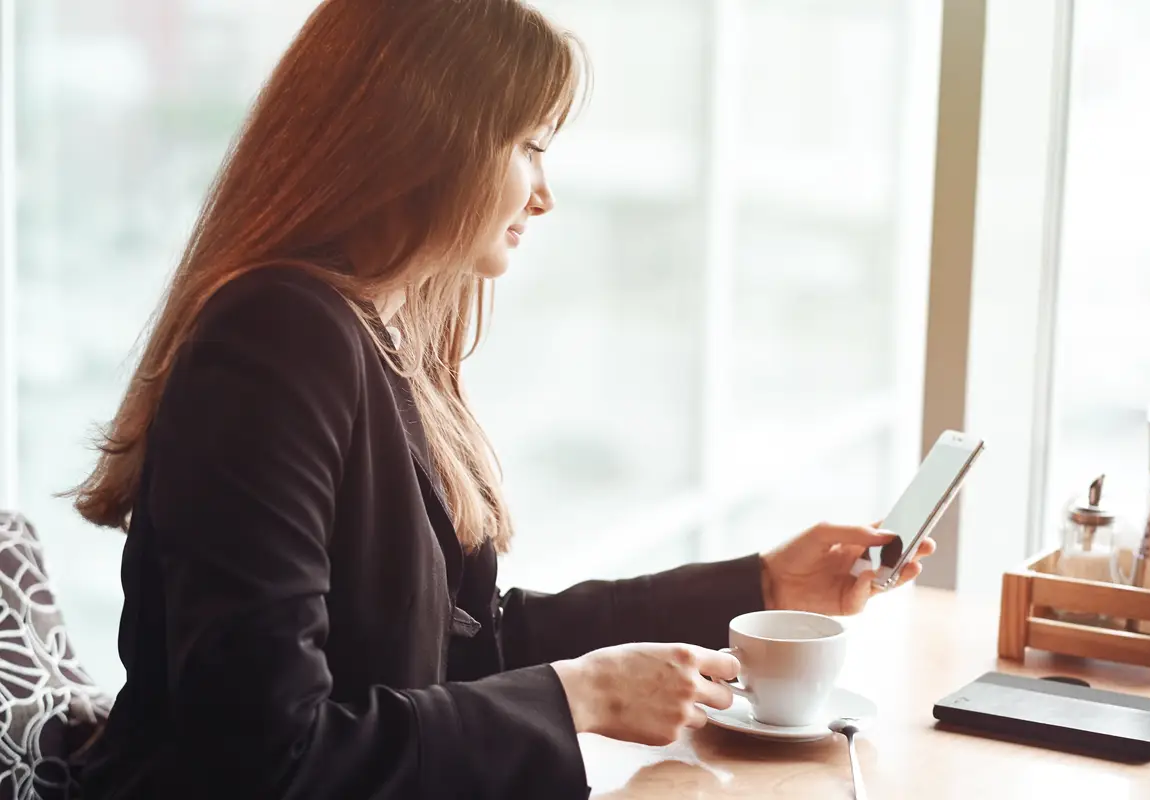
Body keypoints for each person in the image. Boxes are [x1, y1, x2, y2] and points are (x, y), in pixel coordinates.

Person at [71, 1, 934, 798]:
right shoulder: (279, 337)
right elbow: (269, 755)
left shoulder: (376, 339)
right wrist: (577, 697)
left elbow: (467, 643)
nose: (545, 194)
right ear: (428, 137)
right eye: (530, 146)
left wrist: (760, 585)